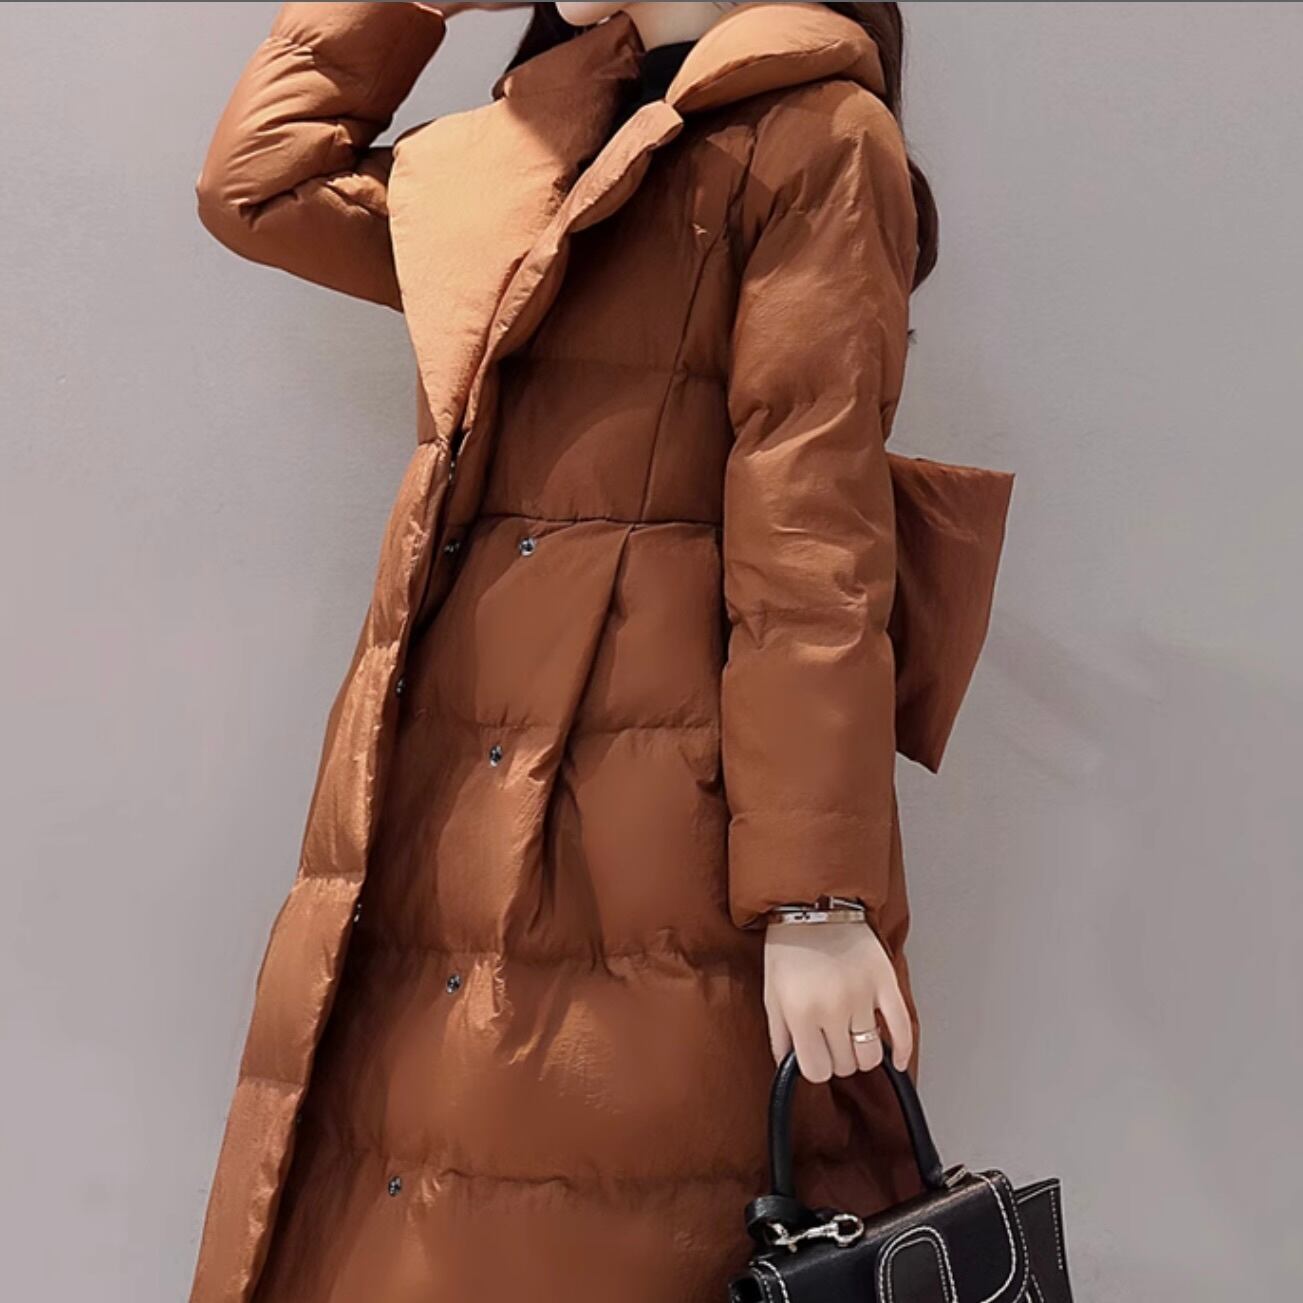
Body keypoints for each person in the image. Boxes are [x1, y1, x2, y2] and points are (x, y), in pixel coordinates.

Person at [187, 4, 1003, 1300]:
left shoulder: (819, 136)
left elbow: (813, 546)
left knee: (571, 1227)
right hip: (437, 783)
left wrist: (818, 901)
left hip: (650, 824)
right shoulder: (538, 132)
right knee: (391, 1204)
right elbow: (259, 184)